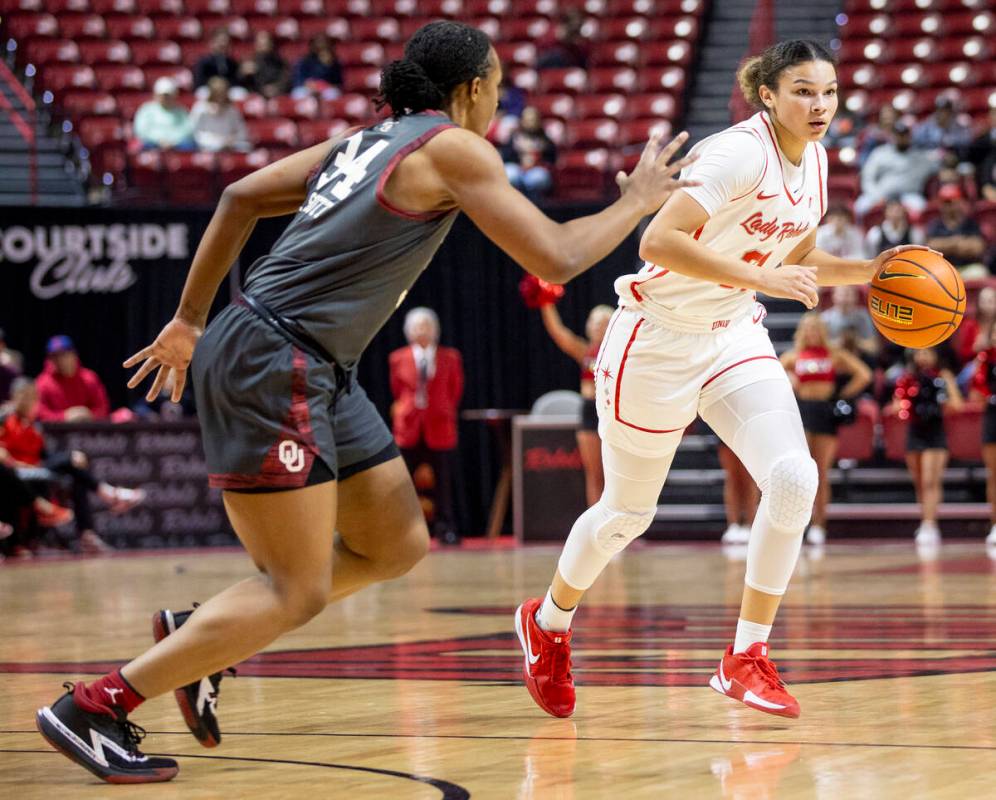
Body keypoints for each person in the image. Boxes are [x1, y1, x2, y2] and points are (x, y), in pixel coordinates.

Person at [35, 20, 697, 783]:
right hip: (272, 358)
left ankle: (200, 636)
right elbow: (556, 253)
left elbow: (237, 197)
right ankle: (96, 705)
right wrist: (639, 202)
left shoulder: (364, 141)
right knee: (297, 588)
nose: (499, 99)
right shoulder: (453, 147)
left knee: (396, 544)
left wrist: (190, 318)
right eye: (497, 83)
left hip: (309, 362)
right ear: (473, 88)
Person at [513, 39, 928, 722]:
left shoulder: (816, 161)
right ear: (767, 94)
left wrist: (868, 270)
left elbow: (791, 253)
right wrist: (765, 279)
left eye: (827, 91)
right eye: (802, 90)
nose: (818, 104)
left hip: (732, 330)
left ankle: (745, 657)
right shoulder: (737, 152)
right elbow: (657, 242)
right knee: (627, 514)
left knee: (795, 479)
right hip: (656, 337)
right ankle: (548, 622)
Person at [0, 378, 145, 553]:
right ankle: (109, 494)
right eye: (25, 396)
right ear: (14, 397)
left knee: (75, 472)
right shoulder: (5, 420)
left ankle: (87, 534)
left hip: (35, 470)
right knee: (69, 460)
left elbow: (44, 457)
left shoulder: (34, 426)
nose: (31, 402)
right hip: (13, 472)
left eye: (34, 397)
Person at [780, 313, 871, 545]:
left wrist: (842, 394)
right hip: (802, 411)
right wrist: (790, 379)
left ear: (821, 331)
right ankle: (800, 523)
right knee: (801, 472)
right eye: (807, 328)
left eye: (815, 328)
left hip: (824, 412)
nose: (811, 332)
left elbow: (864, 374)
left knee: (821, 471)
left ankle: (820, 524)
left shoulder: (834, 354)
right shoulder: (792, 356)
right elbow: (775, 376)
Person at [389, 307, 464, 545]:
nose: (423, 330)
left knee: (443, 481)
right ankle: (403, 530)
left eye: (427, 326)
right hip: (409, 428)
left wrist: (441, 409)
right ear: (409, 331)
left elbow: (455, 390)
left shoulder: (450, 357)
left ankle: (446, 528)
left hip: (440, 427)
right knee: (403, 483)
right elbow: (397, 390)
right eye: (418, 326)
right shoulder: (397, 358)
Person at [536, 295, 613, 505]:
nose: (599, 327)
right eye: (596, 322)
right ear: (589, 326)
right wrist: (545, 302)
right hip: (589, 411)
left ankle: (616, 527)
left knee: (613, 475)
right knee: (594, 473)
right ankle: (595, 529)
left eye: (605, 322)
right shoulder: (585, 351)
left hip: (611, 411)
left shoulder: (618, 352)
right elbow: (558, 332)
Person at [890, 348, 962, 547]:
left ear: (936, 355)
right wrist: (906, 404)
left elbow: (957, 404)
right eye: (919, 353)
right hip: (915, 431)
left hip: (936, 431)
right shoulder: (907, 378)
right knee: (920, 482)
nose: (923, 357)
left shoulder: (943, 376)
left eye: (927, 353)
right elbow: (896, 407)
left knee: (931, 480)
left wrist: (943, 396)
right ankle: (925, 520)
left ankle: (930, 524)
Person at [854, 121, 936, 218]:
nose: (901, 138)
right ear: (892, 136)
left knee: (921, 207)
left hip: (909, 195)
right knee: (860, 206)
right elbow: (867, 177)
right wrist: (876, 195)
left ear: (909, 137)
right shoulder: (880, 153)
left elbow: (937, 167)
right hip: (882, 194)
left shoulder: (920, 157)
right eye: (898, 135)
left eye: (904, 135)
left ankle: (913, 233)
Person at [35, 335, 109, 422]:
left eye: (65, 355)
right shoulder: (42, 383)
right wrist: (64, 416)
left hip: (87, 432)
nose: (61, 360)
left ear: (74, 354)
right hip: (56, 433)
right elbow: (38, 413)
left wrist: (88, 414)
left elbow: (103, 407)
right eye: (55, 357)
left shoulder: (89, 378)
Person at [969, 328, 996, 549]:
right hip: (992, 419)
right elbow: (976, 393)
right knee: (994, 476)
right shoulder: (985, 359)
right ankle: (995, 525)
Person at [925, 184, 988, 278]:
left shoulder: (970, 223)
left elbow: (978, 247)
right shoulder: (936, 224)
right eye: (945, 202)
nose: (949, 206)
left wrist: (945, 246)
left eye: (951, 202)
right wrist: (956, 243)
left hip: (967, 267)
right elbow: (930, 247)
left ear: (959, 202)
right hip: (943, 268)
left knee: (979, 271)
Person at [502, 106, 557, 201]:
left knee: (537, 178)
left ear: (538, 121)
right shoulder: (515, 138)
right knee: (511, 174)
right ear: (522, 121)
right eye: (527, 120)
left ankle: (535, 204)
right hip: (518, 170)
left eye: (533, 120)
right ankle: (513, 203)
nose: (530, 123)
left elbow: (552, 160)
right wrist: (519, 151)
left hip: (535, 171)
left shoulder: (545, 139)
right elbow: (505, 158)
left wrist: (539, 153)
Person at [190, 77, 250, 153]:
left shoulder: (232, 109)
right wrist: (217, 141)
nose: (220, 96)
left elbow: (241, 130)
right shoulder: (201, 107)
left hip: (230, 145)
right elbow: (195, 132)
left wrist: (231, 139)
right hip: (208, 146)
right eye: (217, 93)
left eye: (222, 92)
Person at [133, 78, 195, 151]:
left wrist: (172, 142)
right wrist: (159, 141)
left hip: (176, 145)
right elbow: (141, 131)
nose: (165, 98)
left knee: (189, 145)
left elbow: (188, 130)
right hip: (152, 143)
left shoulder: (181, 111)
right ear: (156, 95)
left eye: (168, 95)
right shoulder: (146, 110)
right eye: (163, 95)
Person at [820, 284, 879, 361]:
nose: (844, 298)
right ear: (834, 296)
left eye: (848, 294)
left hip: (860, 359)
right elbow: (820, 348)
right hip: (835, 360)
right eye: (842, 294)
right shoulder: (825, 318)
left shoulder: (862, 317)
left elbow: (873, 347)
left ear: (855, 296)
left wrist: (854, 342)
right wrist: (840, 342)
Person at [239, 31, 290, 99]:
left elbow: (286, 78)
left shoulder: (280, 61)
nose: (262, 47)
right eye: (260, 44)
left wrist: (276, 87)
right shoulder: (249, 61)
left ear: (271, 45)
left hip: (276, 93)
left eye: (265, 44)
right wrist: (243, 74)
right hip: (256, 94)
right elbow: (240, 81)